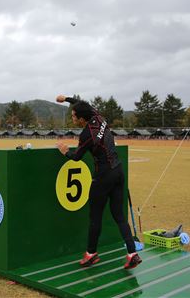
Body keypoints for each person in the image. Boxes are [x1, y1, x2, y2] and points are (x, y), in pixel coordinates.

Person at [55, 95, 141, 270]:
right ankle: (132, 253)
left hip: (103, 176)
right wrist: (67, 99)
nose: (72, 119)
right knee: (119, 216)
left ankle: (91, 254)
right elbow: (82, 105)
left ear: (81, 118)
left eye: (73, 117)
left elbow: (77, 157)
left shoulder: (87, 134)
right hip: (118, 171)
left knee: (95, 217)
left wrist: (64, 152)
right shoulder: (98, 117)